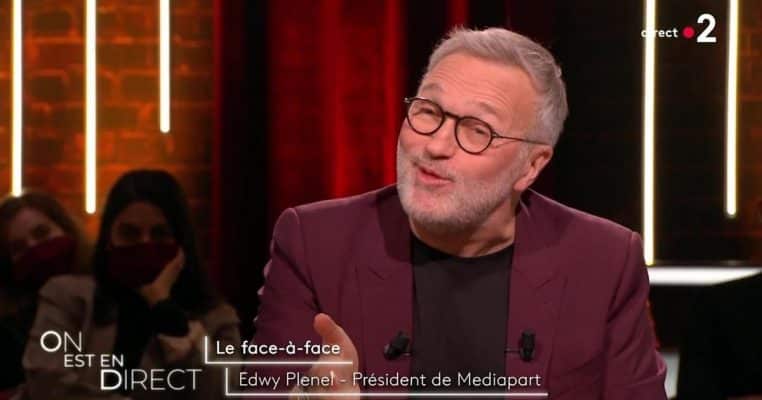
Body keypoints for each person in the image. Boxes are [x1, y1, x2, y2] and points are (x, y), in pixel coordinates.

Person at [252, 27, 667, 399]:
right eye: (428, 112)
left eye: (477, 130)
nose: (435, 145)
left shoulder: (603, 262)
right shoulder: (314, 244)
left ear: (531, 165)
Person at [18, 170, 240, 400]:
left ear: (182, 244)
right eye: (129, 234)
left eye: (160, 234)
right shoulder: (68, 297)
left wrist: (167, 313)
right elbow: (46, 383)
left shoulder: (217, 319)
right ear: (109, 239)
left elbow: (220, 393)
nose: (145, 244)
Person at [0, 191, 90, 395]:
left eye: (42, 233)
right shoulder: (8, 335)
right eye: (18, 248)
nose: (35, 249)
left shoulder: (111, 297)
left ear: (66, 230)